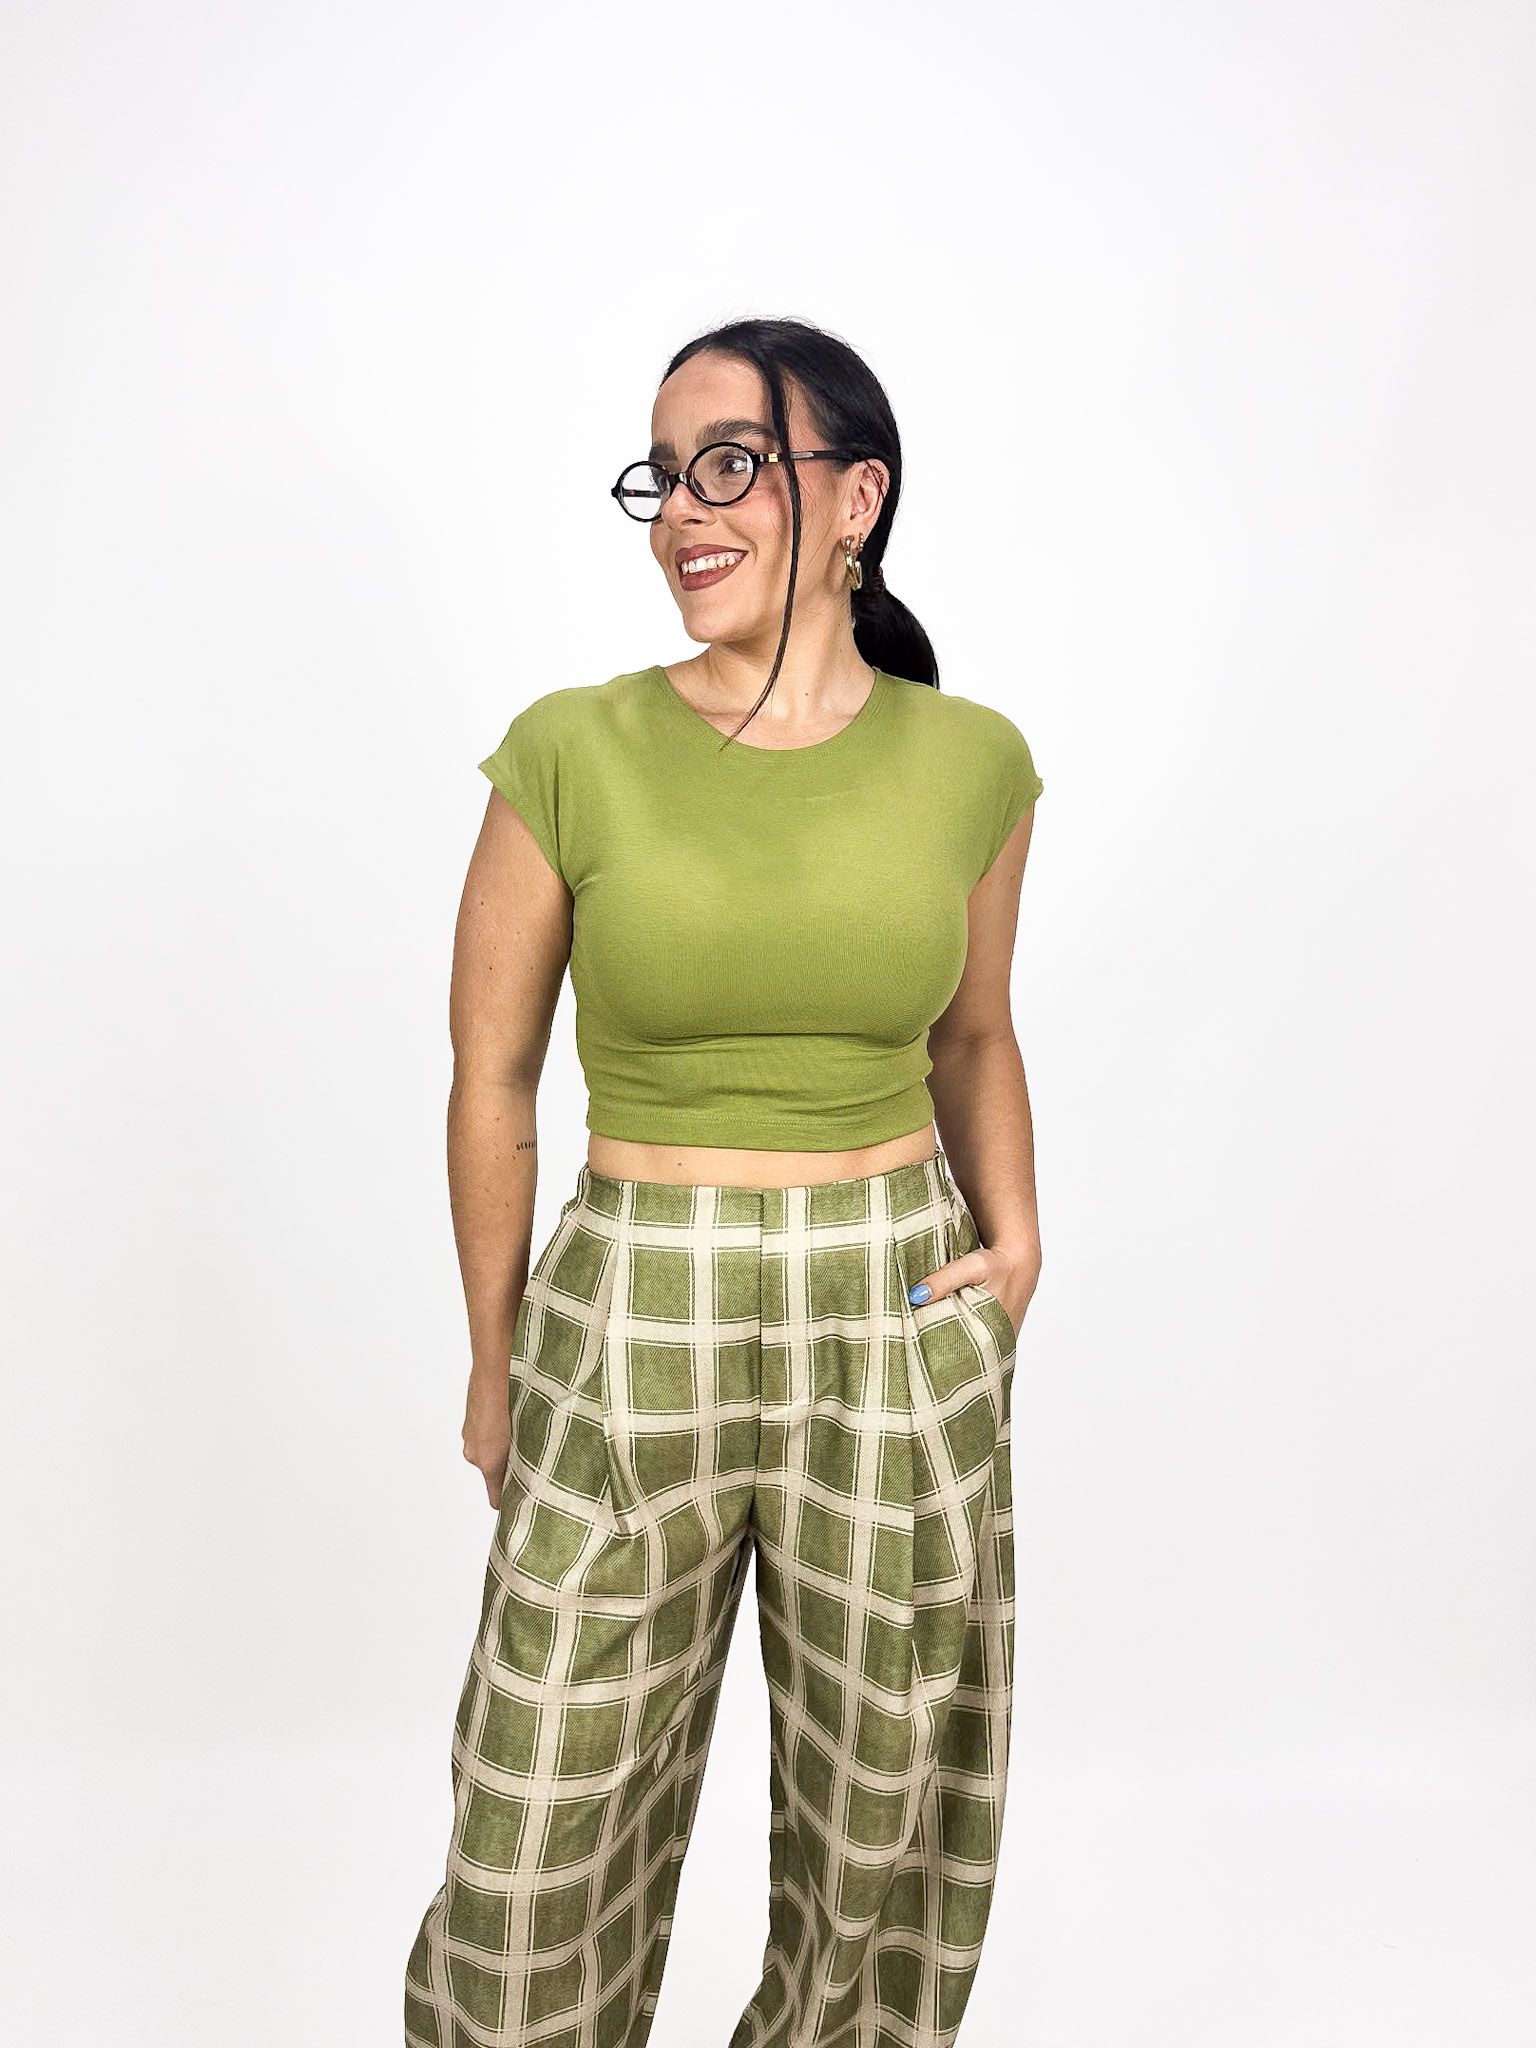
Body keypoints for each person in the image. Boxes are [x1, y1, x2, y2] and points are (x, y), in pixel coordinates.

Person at [404, 315, 1045, 2048]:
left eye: (733, 465)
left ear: (858, 499)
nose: (685, 510)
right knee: (532, 1844)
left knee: (882, 1829)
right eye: (666, 476)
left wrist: (1016, 1245)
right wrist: (495, 1360)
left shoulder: (972, 762)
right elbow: (491, 1076)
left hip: (891, 1305)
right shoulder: (572, 748)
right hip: (630, 1304)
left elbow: (977, 1035)